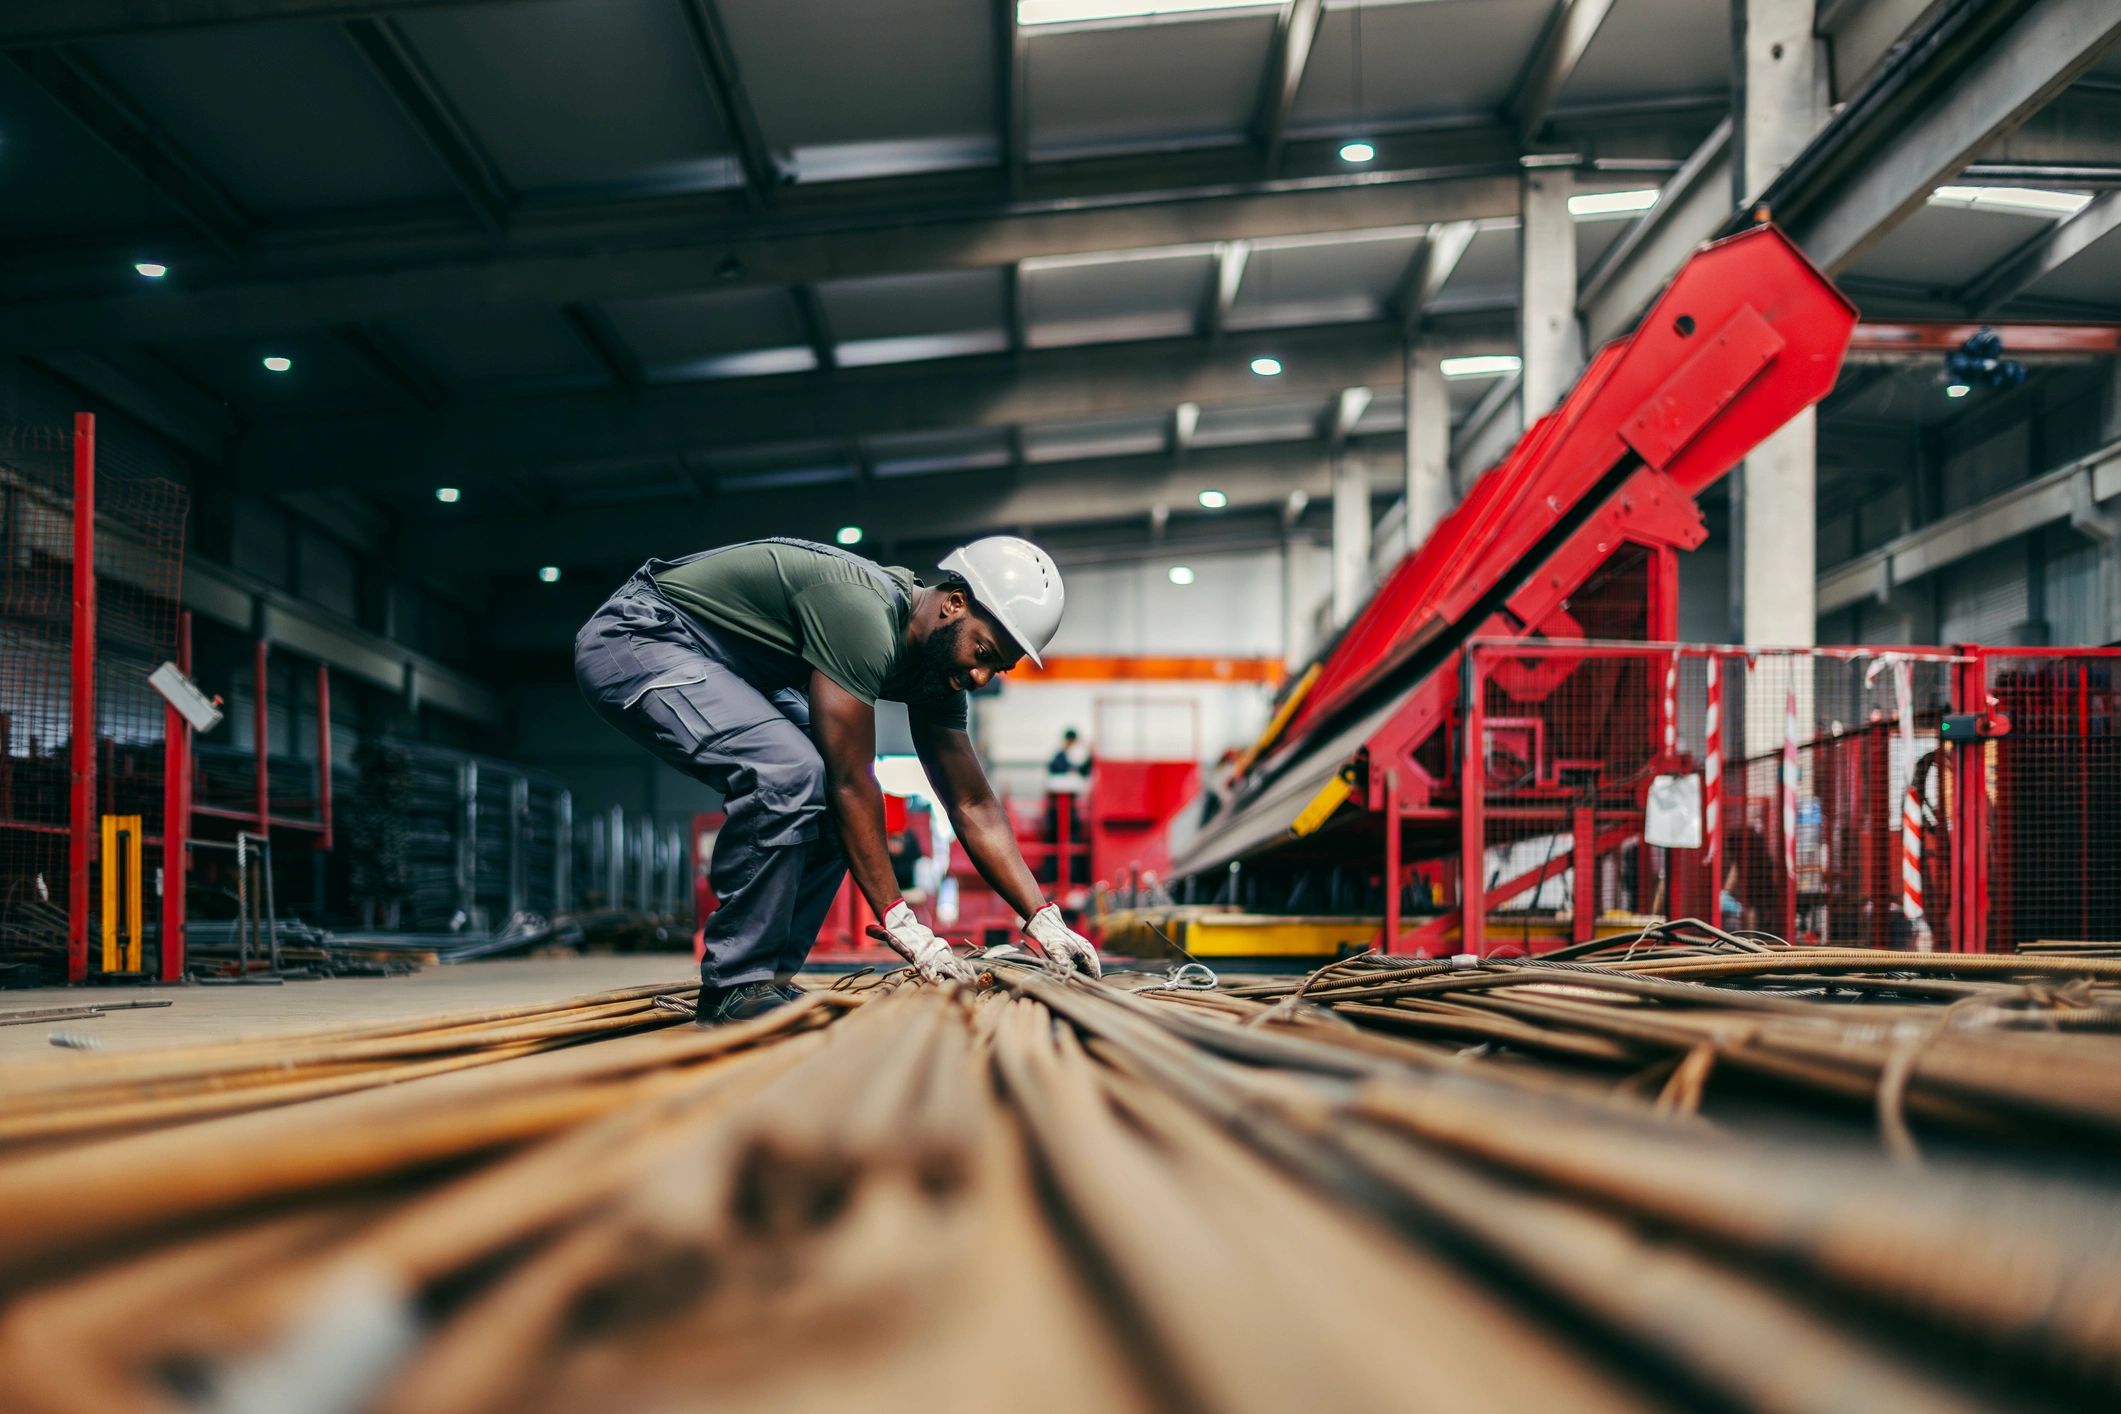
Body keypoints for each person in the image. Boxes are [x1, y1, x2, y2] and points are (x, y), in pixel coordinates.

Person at [575, 535, 1101, 1025]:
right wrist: (902, 922)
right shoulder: (863, 613)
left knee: (818, 787)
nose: (981, 677)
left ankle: (766, 980)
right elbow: (853, 781)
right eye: (984, 654)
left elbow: (971, 802)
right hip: (641, 634)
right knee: (789, 772)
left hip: (732, 668)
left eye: (998, 670)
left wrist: (1042, 917)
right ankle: (734, 983)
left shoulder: (940, 672)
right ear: (954, 603)